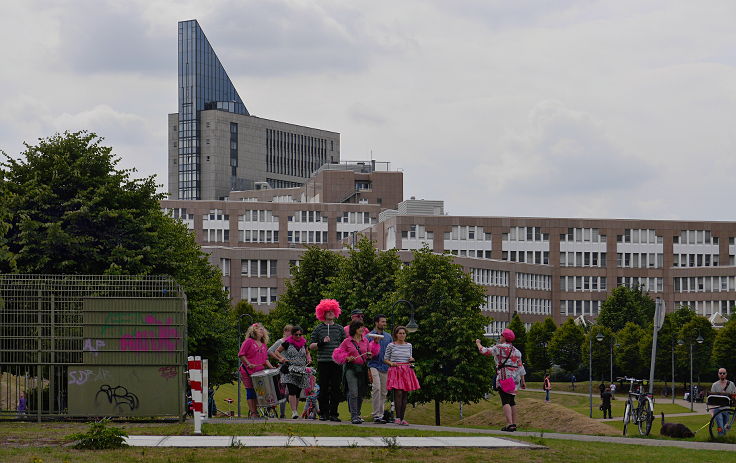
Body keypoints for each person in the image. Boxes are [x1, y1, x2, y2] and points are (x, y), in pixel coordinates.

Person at [476, 328, 526, 432]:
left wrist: (478, 343)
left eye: (501, 335)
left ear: (504, 337)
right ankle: (514, 424)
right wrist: (523, 381)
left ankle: (509, 424)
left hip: (505, 376)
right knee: (512, 401)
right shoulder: (517, 351)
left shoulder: (499, 347)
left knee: (505, 400)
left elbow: (484, 351)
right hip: (515, 378)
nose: (500, 337)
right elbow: (521, 367)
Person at [332, 320, 379, 424]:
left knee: (360, 393)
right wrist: (347, 357)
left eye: (362, 327)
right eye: (359, 327)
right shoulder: (347, 341)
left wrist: (373, 349)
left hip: (362, 368)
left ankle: (357, 413)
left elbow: (369, 353)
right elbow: (337, 354)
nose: (362, 329)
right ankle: (354, 416)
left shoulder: (365, 341)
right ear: (354, 329)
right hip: (350, 369)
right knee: (353, 391)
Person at [309, 299, 345, 422]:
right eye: (327, 311)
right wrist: (321, 342)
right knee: (323, 388)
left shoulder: (340, 329)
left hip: (336, 363)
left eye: (332, 311)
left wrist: (341, 353)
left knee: (336, 388)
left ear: (336, 312)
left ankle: (334, 413)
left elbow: (345, 344)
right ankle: (323, 413)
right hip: (323, 361)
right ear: (322, 313)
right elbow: (311, 346)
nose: (330, 313)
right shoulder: (318, 329)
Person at [384, 325, 421, 425]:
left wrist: (411, 359)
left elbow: (410, 357)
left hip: (407, 370)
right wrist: (391, 363)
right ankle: (397, 417)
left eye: (403, 333)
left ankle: (402, 418)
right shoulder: (391, 345)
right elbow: (385, 359)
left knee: (405, 394)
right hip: (396, 369)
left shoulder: (409, 345)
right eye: (400, 333)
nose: (402, 335)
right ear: (396, 334)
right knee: (398, 393)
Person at [273, 325, 312, 419]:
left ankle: (295, 410)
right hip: (289, 369)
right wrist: (282, 358)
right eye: (296, 334)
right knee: (292, 390)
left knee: (298, 391)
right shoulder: (287, 343)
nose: (298, 336)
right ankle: (294, 411)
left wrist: (309, 358)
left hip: (301, 370)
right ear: (292, 334)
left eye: (300, 334)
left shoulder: (304, 343)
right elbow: (277, 351)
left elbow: (307, 352)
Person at [238, 323, 275, 418]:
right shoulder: (248, 342)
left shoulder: (263, 345)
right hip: (247, 371)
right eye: (259, 329)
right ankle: (253, 412)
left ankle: (258, 410)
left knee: (259, 392)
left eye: (263, 329)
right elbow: (241, 354)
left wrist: (271, 367)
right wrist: (248, 363)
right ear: (253, 331)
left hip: (259, 373)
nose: (262, 331)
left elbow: (265, 359)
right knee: (250, 391)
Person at [367, 314, 392, 423]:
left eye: (385, 322)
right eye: (382, 322)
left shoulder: (388, 337)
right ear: (376, 323)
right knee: (376, 387)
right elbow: (366, 352)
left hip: (385, 366)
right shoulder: (369, 336)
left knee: (383, 391)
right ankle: (376, 414)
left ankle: (380, 415)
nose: (384, 324)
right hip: (373, 365)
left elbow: (391, 351)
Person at [268, 324, 293, 418]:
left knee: (289, 392)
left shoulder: (293, 342)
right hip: (283, 369)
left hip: (292, 369)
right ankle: (282, 414)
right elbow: (270, 351)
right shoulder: (280, 341)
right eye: (287, 331)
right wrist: (279, 358)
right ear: (284, 332)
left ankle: (285, 411)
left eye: (290, 331)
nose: (289, 333)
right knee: (283, 392)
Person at [710, 368, 736, 436]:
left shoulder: (731, 384)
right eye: (720, 373)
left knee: (725, 427)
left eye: (723, 373)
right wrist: (712, 415)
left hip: (727, 409)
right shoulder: (714, 385)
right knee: (720, 426)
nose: (722, 375)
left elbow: (735, 396)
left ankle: (723, 439)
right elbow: (712, 401)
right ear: (718, 374)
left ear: (726, 374)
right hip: (717, 409)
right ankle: (720, 437)